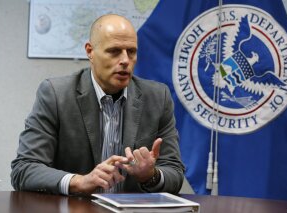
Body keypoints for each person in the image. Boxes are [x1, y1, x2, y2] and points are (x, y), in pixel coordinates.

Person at [11, 14, 184, 195]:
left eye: (131, 51)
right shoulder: (56, 95)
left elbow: (174, 171)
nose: (125, 60)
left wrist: (151, 175)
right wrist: (78, 182)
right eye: (114, 51)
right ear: (90, 52)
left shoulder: (157, 97)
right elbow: (24, 169)